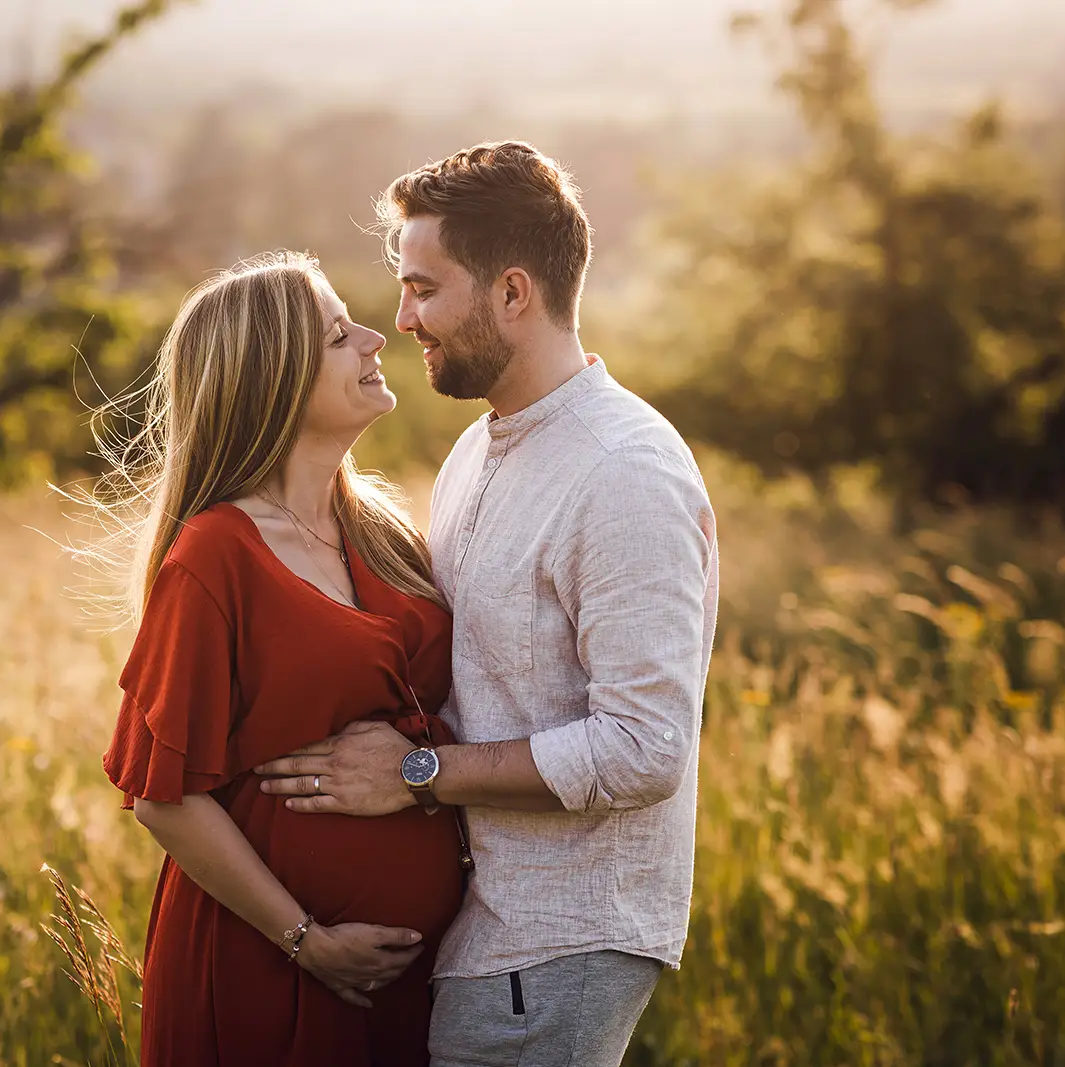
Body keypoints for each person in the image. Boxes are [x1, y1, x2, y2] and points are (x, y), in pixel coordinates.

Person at [256, 142, 721, 1067]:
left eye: (425, 289)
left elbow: (646, 748)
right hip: (484, 932)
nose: (404, 319)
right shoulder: (480, 449)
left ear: (513, 292)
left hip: (557, 943)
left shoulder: (622, 470)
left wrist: (419, 772)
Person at [96, 251, 468, 1067]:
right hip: (272, 968)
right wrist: (308, 939)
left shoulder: (383, 530)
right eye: (340, 334)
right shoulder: (215, 554)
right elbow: (162, 796)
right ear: (274, 380)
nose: (377, 336)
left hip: (410, 980)